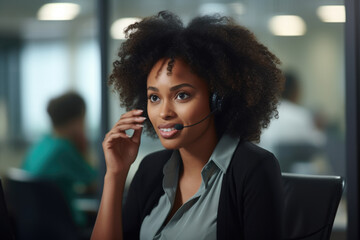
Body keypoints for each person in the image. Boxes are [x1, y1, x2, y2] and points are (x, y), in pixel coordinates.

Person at [91, 11, 284, 240]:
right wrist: (115, 174)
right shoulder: (151, 169)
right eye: (154, 98)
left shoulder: (252, 169)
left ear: (217, 99)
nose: (164, 112)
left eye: (182, 95)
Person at [22, 92, 97, 227]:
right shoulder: (63, 149)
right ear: (77, 119)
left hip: (37, 228)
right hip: (66, 228)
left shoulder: (42, 143)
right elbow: (95, 182)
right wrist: (84, 149)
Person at [259, 72, 326, 173]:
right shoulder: (300, 115)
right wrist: (319, 129)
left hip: (268, 172)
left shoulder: (266, 114)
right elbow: (318, 143)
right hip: (295, 178)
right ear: (295, 91)